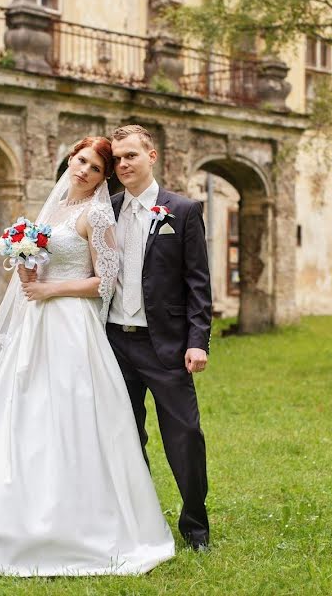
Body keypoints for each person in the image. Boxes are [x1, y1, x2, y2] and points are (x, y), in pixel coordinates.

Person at [0, 136, 175, 576]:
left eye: (96, 168)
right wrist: (26, 261)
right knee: (15, 407)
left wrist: (49, 289)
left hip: (70, 324)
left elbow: (104, 281)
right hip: (36, 323)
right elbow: (39, 268)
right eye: (82, 161)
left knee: (66, 412)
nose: (85, 170)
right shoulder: (57, 207)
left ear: (103, 179)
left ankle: (72, 524)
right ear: (70, 159)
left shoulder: (98, 213)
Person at [106, 125, 212, 552]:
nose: (122, 164)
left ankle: (196, 527)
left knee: (185, 434)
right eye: (116, 159)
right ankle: (139, 522)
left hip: (165, 344)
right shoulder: (105, 209)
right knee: (126, 437)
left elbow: (198, 283)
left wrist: (198, 340)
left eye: (130, 155)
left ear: (152, 156)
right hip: (113, 343)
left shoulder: (182, 211)